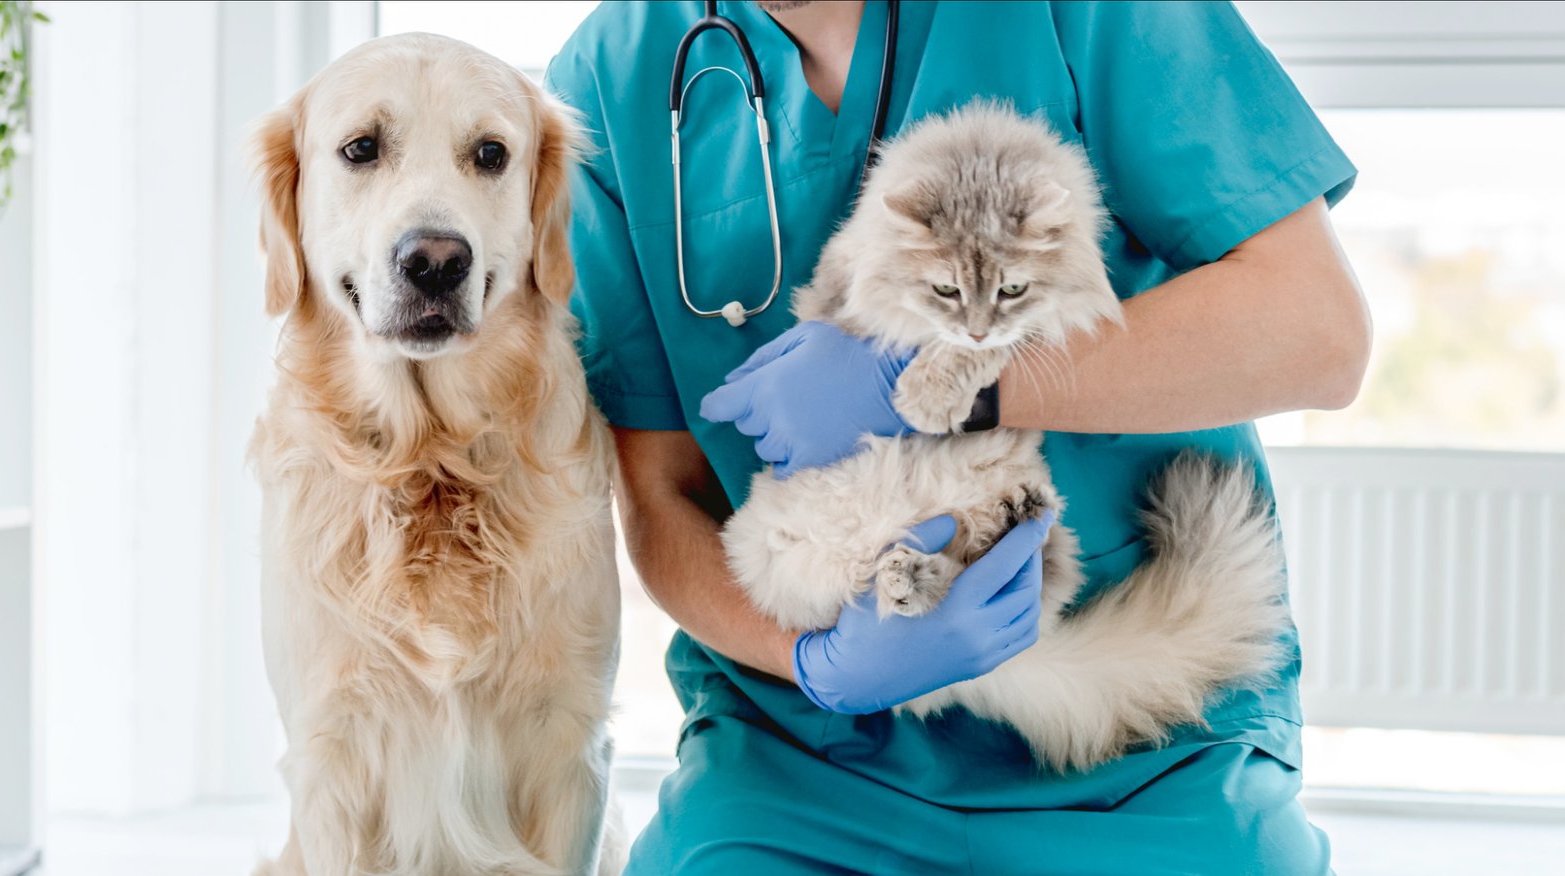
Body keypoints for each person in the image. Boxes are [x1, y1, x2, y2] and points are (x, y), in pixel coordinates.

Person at [545, 1, 1370, 872]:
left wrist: (952, 386)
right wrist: (820, 664)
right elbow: (660, 497)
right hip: (800, 752)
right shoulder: (616, 72)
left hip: (1149, 743)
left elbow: (1317, 333)